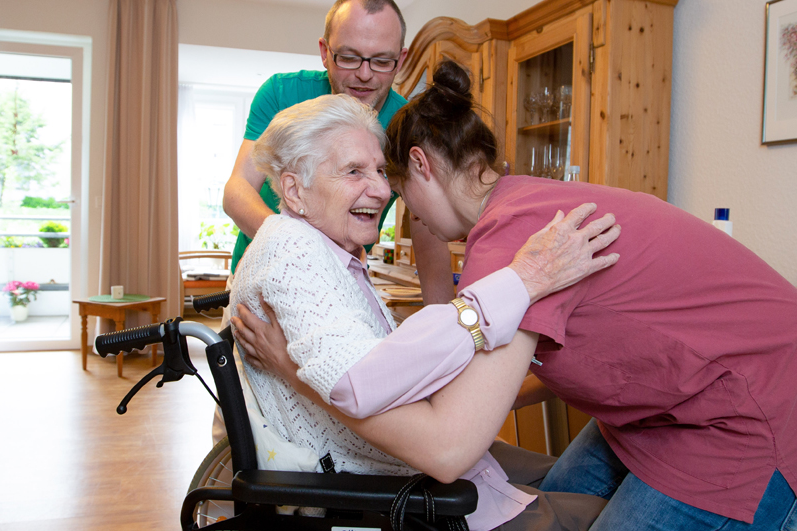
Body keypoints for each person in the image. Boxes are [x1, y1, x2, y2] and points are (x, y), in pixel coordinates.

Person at [237, 60, 797, 531]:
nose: (397, 207)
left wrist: (304, 372)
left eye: (392, 182)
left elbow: (450, 441)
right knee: (556, 495)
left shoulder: (519, 248)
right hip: (669, 407)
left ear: (424, 168)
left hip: (752, 412)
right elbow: (496, 376)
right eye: (358, 173)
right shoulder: (521, 216)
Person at [231, 92, 620, 531]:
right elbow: (357, 380)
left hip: (404, 465)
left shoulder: (331, 252)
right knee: (607, 514)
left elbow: (388, 369)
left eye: (380, 171)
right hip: (393, 488)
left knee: (590, 481)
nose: (381, 189)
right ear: (293, 190)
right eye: (354, 171)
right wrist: (523, 280)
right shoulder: (292, 247)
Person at [222, 0, 455, 306]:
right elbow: (237, 190)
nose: (364, 74)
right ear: (324, 51)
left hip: (339, 286)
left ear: (400, 60)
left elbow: (427, 232)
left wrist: (444, 328)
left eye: (382, 61)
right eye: (348, 57)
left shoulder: (412, 127)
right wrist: (297, 251)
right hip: (261, 275)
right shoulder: (280, 93)